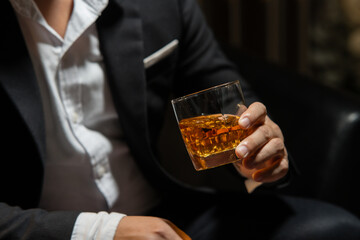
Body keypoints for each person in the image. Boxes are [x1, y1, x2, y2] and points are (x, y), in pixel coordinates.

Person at [0, 0, 359, 239]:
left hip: (166, 216)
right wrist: (100, 232)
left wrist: (257, 152)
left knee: (335, 227)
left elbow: (226, 95)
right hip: (40, 229)